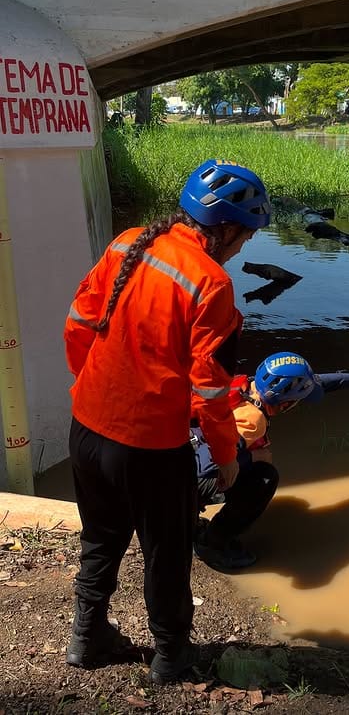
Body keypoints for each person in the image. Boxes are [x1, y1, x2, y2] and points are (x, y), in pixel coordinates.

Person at [63, 159, 270, 684]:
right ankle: (172, 657)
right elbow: (212, 389)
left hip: (87, 426)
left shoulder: (127, 243)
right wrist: (226, 458)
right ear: (223, 229)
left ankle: (87, 638)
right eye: (244, 236)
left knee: (101, 537)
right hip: (150, 447)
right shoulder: (212, 284)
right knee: (167, 554)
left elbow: (79, 324)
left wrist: (97, 387)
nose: (244, 247)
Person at [192, 352, 349, 572]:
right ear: (285, 404)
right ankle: (211, 543)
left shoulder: (247, 385)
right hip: (183, 477)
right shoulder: (252, 419)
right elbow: (207, 465)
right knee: (264, 478)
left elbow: (315, 382)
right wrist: (253, 457)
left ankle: (185, 515)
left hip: (173, 456)